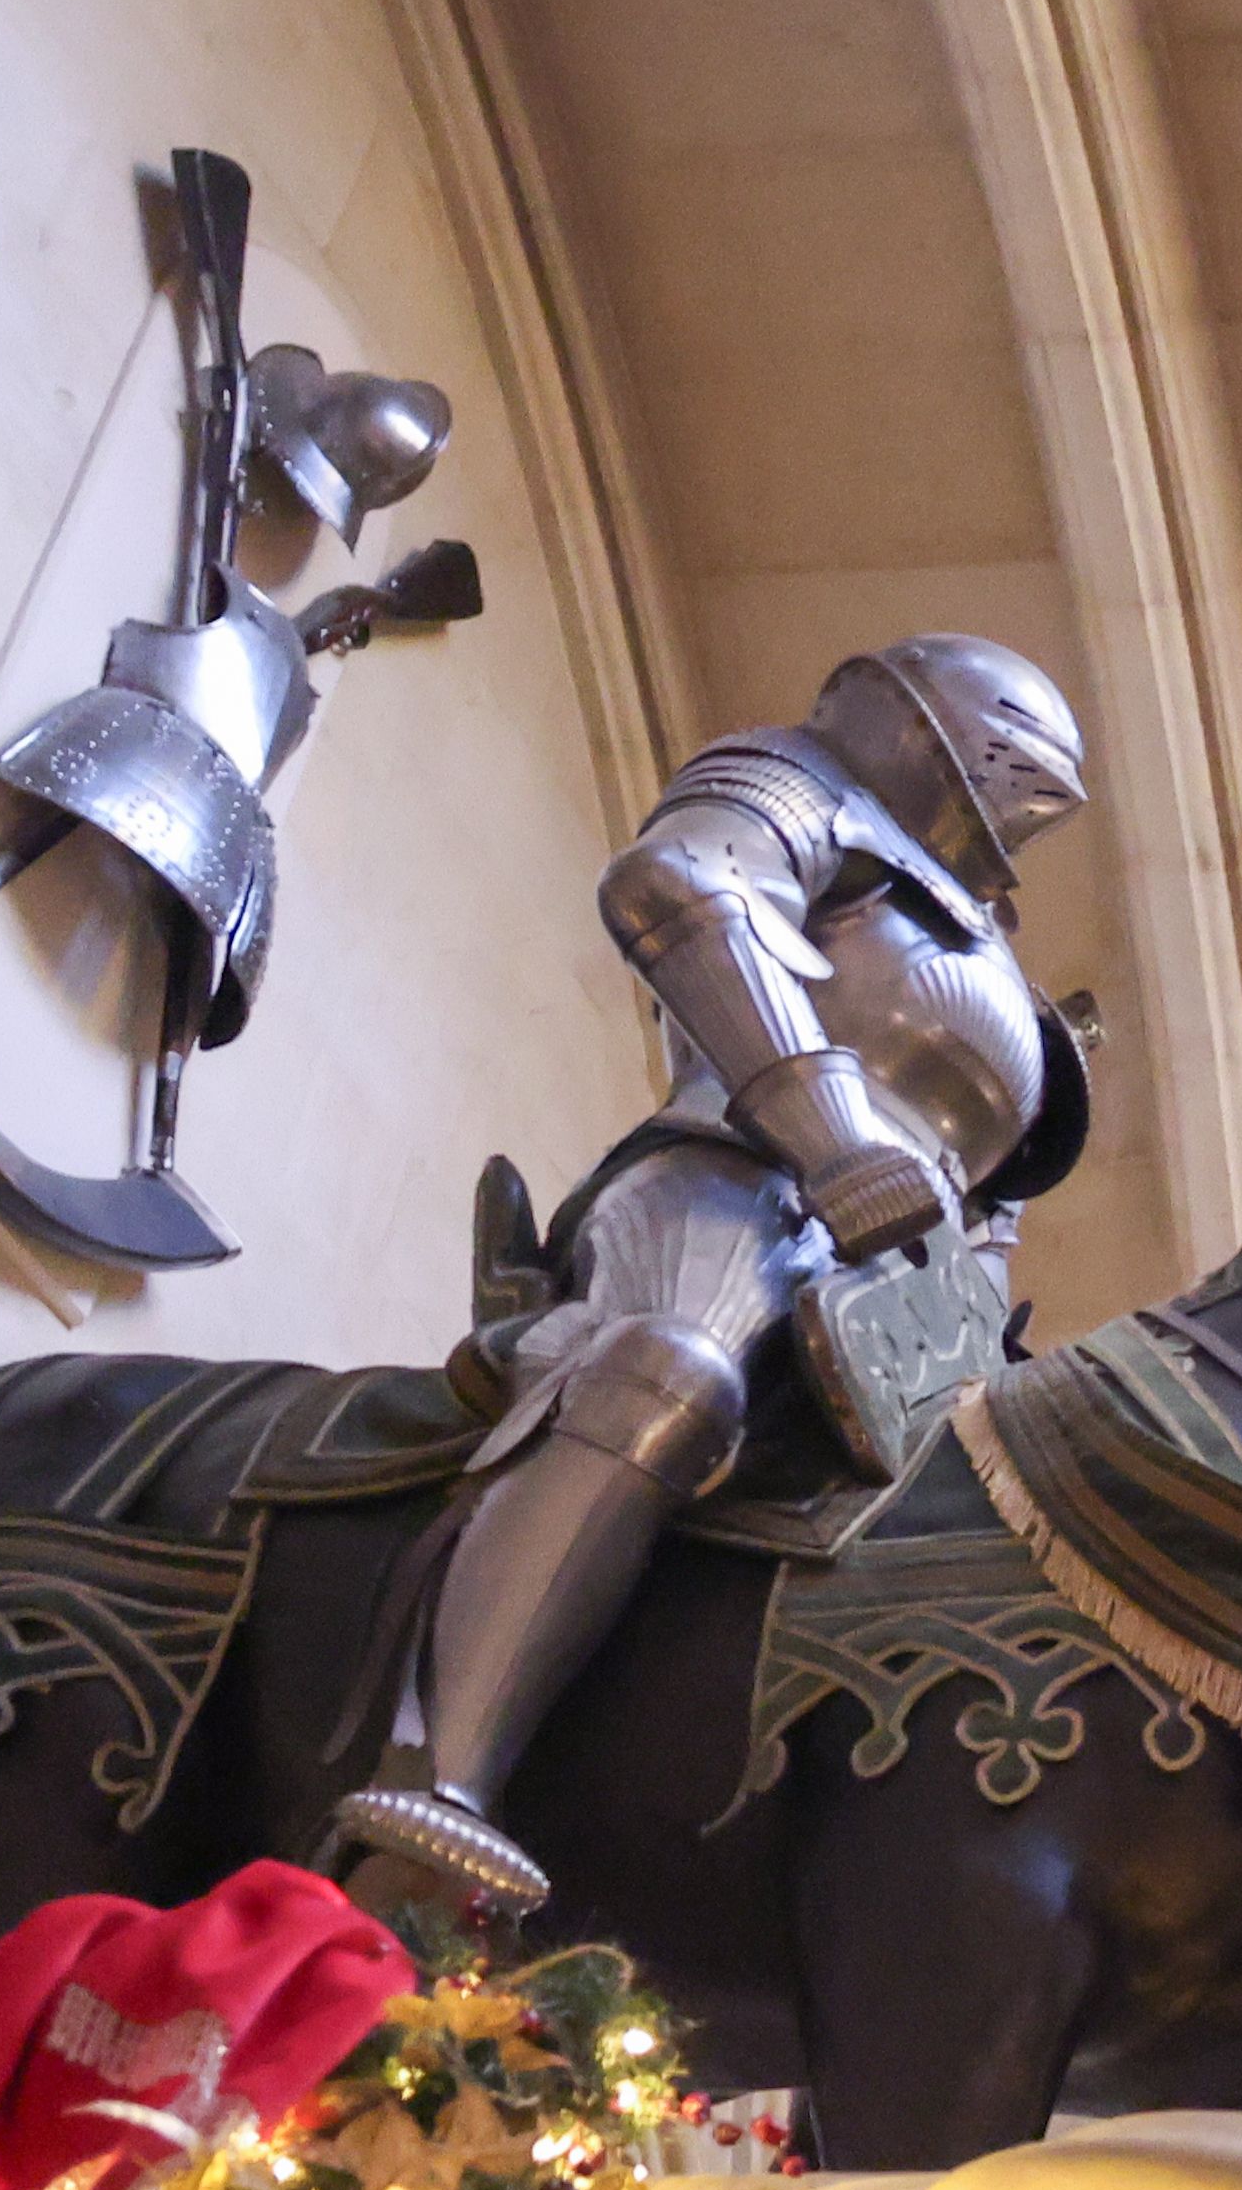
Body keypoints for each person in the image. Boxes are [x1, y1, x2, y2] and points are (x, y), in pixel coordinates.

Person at [339, 633, 1098, 1919]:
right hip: (734, 1173)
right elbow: (683, 891)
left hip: (907, 1304)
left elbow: (990, 1206)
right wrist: (829, 1129)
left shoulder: (1004, 980)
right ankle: (437, 1787)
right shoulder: (799, 787)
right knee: (669, 1375)